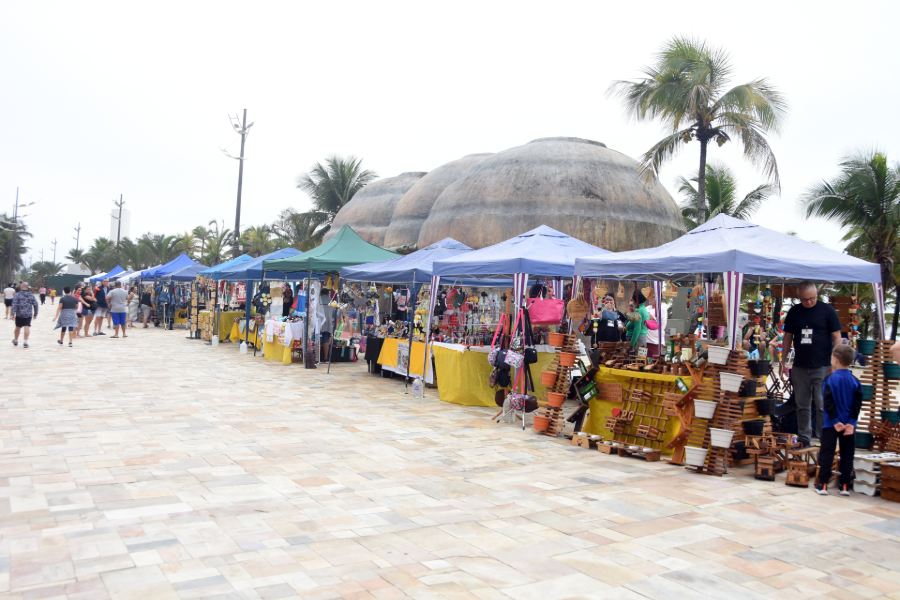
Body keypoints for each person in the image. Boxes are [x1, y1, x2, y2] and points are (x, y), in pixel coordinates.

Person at [781, 281, 842, 447]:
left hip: (823, 365)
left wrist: (834, 361)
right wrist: (783, 360)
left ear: (817, 295)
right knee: (802, 405)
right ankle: (804, 438)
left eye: (812, 298)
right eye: (805, 299)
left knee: (822, 404)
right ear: (799, 297)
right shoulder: (794, 312)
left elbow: (837, 336)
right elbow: (787, 337)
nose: (808, 302)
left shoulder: (827, 311)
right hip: (800, 365)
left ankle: (824, 438)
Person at [815, 345, 862, 496]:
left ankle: (822, 485)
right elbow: (857, 404)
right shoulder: (855, 381)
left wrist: (835, 421)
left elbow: (827, 402)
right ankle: (845, 486)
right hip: (849, 425)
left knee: (827, 454)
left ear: (835, 359)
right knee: (847, 455)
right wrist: (851, 423)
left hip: (831, 424)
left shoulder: (829, 379)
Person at [11, 282, 39, 348]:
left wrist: (12, 314)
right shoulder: (31, 295)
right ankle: (25, 342)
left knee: (17, 327)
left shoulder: (17, 295)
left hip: (19, 314)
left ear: (21, 287)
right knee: (27, 326)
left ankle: (15, 340)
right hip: (28, 314)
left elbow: (14, 305)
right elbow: (36, 304)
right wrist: (35, 313)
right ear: (27, 287)